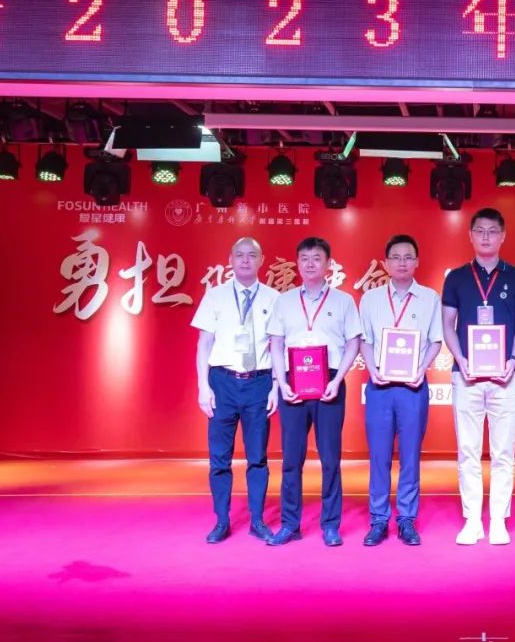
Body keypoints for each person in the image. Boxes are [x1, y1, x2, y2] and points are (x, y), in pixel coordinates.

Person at [441, 208, 515, 545]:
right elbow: (447, 325)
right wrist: (460, 359)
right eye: (479, 230)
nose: (486, 237)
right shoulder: (456, 278)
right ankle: (471, 520)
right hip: (466, 376)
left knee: (503, 452)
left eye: (492, 231)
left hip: (505, 377)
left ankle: (497, 520)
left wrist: (513, 359)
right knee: (467, 451)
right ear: (470, 235)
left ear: (503, 235)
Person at [267, 237, 362, 547]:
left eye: (317, 258)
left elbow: (353, 343)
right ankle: (290, 524)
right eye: (305, 258)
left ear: (328, 264)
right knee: (291, 459)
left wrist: (338, 379)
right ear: (297, 263)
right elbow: (276, 344)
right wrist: (281, 382)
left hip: (330, 383)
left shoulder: (344, 301)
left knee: (330, 458)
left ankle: (331, 525)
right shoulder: (284, 301)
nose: (310, 264)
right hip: (293, 383)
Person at [190, 237, 280, 543]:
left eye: (251, 255)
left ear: (261, 260)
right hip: (223, 382)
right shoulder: (214, 296)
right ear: (230, 259)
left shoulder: (274, 298)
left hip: (259, 383)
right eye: (239, 255)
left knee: (258, 457)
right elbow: (204, 344)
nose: (245, 260)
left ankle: (257, 520)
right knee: (219, 458)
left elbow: (279, 347)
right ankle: (221, 521)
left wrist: (276, 386)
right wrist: (203, 386)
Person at [358, 234, 443, 546]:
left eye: (408, 257)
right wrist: (373, 370)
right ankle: (378, 520)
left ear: (417, 262)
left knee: (410, 456)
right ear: (385, 263)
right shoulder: (370, 299)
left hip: (413, 388)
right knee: (378, 456)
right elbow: (365, 340)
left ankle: (407, 519)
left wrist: (421, 369)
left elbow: (436, 340)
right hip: (380, 387)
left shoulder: (430, 298)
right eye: (395, 257)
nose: (402, 263)